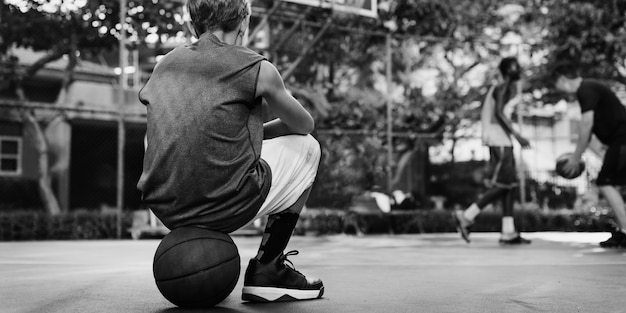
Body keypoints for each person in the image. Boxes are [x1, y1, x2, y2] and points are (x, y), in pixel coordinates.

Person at [137, 0, 324, 302]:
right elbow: (304, 124)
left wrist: (241, 134)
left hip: (166, 206)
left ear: (194, 23)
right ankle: (269, 268)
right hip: (225, 203)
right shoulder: (256, 67)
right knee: (307, 148)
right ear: (244, 21)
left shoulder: (165, 64)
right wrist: (257, 131)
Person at [453, 57, 532, 245]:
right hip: (499, 139)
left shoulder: (502, 87)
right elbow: (498, 113)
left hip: (501, 139)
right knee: (502, 186)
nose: (519, 69)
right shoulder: (502, 87)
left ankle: (508, 232)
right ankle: (466, 216)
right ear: (509, 70)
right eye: (516, 67)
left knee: (509, 185)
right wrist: (518, 135)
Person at [552, 62, 626, 248]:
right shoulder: (589, 90)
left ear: (562, 79)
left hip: (623, 139)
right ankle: (623, 230)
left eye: (557, 86)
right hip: (618, 141)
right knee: (610, 182)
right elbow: (593, 131)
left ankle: (625, 231)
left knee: (605, 182)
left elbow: (586, 126)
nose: (559, 90)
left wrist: (576, 157)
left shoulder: (586, 88)